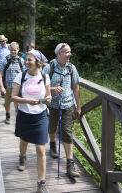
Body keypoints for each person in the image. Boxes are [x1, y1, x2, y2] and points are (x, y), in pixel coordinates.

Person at [11, 51, 51, 193]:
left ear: (37, 62)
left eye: (30, 60)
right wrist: (27, 101)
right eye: (26, 60)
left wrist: (48, 99)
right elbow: (13, 97)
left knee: (40, 149)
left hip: (40, 116)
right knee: (24, 140)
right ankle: (22, 157)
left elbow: (48, 95)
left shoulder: (45, 76)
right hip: (24, 115)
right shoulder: (20, 76)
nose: (27, 62)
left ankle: (41, 182)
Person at [42, 43, 81, 178]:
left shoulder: (72, 68)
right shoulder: (49, 68)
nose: (69, 54)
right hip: (52, 104)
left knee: (67, 132)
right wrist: (53, 89)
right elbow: (40, 85)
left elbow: (75, 87)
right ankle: (52, 144)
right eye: (67, 52)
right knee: (52, 128)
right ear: (59, 54)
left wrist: (79, 106)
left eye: (70, 52)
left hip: (68, 104)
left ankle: (70, 164)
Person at [0, 42, 24, 124]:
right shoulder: (5, 60)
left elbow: (26, 73)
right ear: (9, 50)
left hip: (18, 87)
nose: (13, 52)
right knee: (7, 102)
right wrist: (1, 87)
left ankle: (18, 118)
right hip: (7, 87)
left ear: (18, 50)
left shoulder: (21, 61)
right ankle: (8, 115)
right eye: (12, 50)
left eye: (15, 50)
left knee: (18, 103)